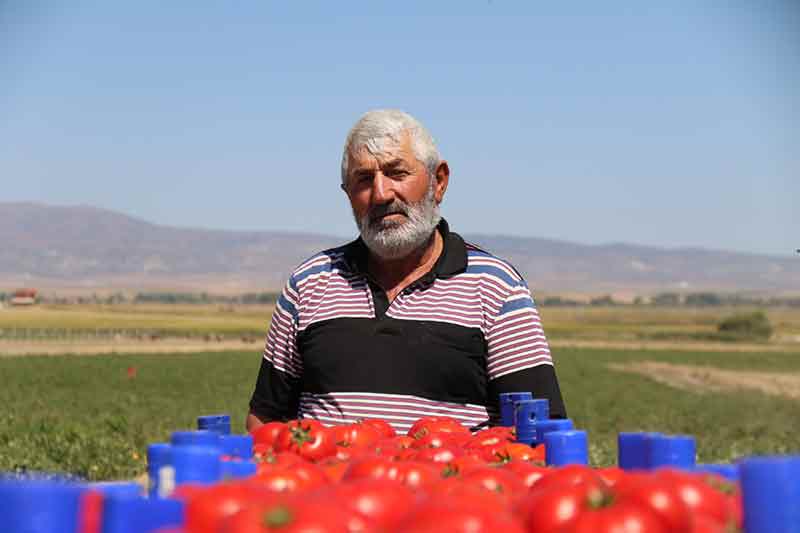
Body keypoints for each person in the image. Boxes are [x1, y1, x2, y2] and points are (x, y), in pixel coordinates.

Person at [246, 109, 566, 433]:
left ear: (438, 182)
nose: (381, 194)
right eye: (364, 179)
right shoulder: (309, 283)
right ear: (347, 194)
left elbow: (538, 429)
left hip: (452, 481)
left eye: (397, 173)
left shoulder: (496, 287)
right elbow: (266, 419)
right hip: (325, 482)